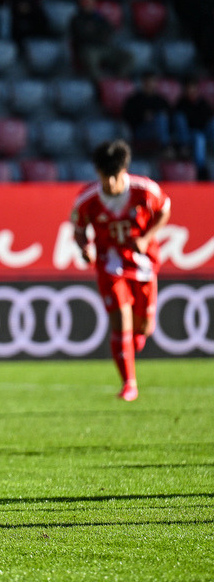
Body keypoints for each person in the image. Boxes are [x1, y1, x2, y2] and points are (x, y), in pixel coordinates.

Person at [70, 140, 170, 402]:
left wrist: (147, 237)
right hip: (109, 263)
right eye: (106, 176)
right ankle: (129, 384)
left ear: (124, 171)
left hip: (143, 262)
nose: (111, 183)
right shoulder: (87, 199)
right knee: (120, 319)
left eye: (115, 176)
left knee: (144, 327)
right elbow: (79, 230)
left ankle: (138, 336)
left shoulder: (145, 190)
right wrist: (86, 248)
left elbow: (164, 210)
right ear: (98, 173)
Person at [69, 0, 132, 83]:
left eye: (91, 0)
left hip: (104, 47)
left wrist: (93, 32)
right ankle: (99, 85)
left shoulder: (99, 17)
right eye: (86, 0)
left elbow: (109, 31)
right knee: (90, 56)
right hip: (88, 48)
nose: (89, 3)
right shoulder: (77, 19)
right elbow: (82, 36)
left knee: (128, 56)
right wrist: (98, 34)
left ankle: (118, 81)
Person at [172, 76, 214, 180]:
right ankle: (201, 170)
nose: (191, 91)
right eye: (189, 88)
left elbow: (207, 119)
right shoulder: (181, 104)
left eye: (193, 88)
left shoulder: (203, 103)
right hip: (188, 135)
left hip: (204, 132)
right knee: (199, 138)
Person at [122, 72, 171, 156]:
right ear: (143, 83)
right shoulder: (134, 100)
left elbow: (169, 114)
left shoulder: (161, 100)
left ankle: (173, 147)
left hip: (159, 129)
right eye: (147, 82)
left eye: (152, 82)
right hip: (140, 131)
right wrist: (142, 117)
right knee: (160, 119)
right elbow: (127, 117)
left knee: (161, 119)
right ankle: (165, 147)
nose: (150, 85)